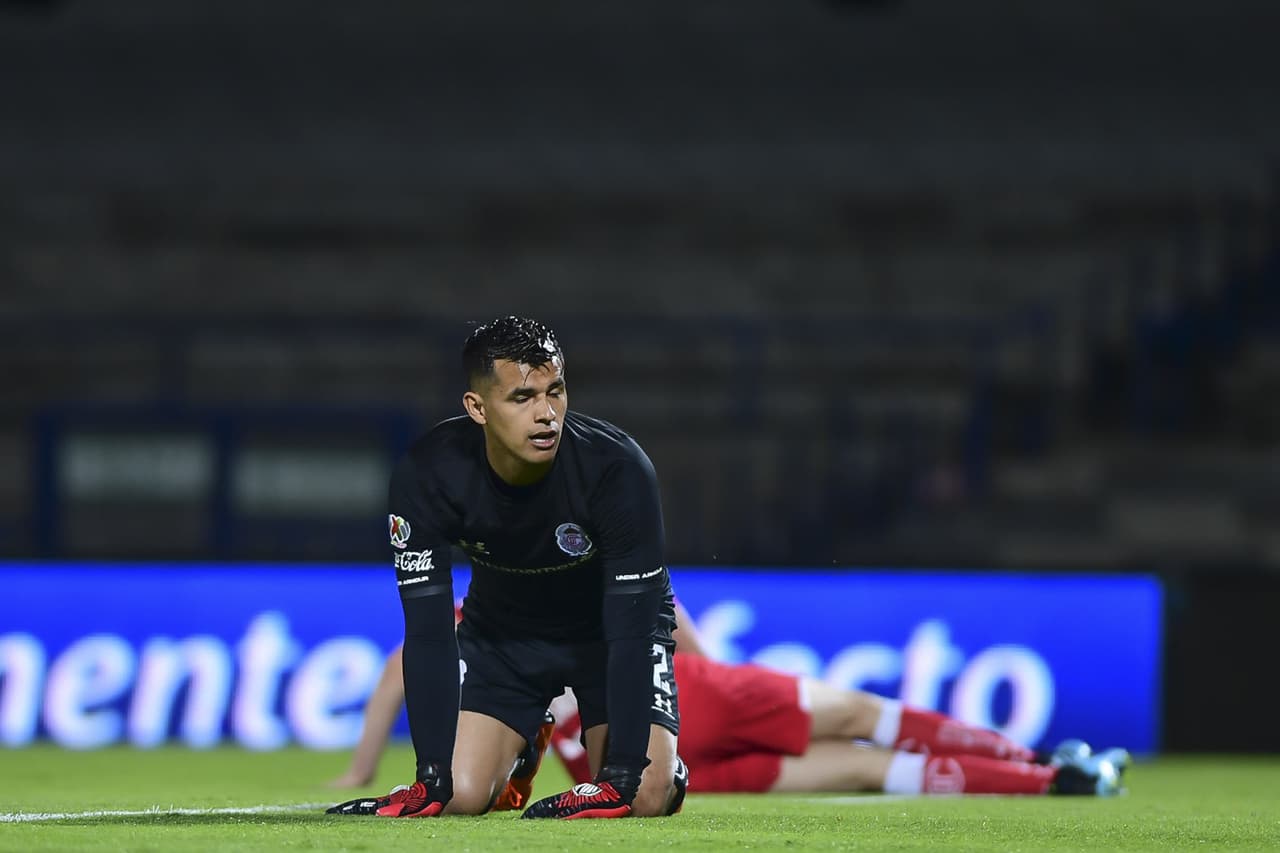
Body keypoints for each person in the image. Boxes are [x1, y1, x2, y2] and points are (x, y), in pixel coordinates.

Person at [327, 315, 686, 820]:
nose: (547, 415)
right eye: (522, 398)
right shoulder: (429, 475)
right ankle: (524, 746)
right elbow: (428, 631)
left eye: (555, 392)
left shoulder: (617, 469)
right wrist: (431, 777)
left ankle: (666, 770)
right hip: (505, 637)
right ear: (477, 407)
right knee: (457, 797)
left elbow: (633, 630)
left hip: (610, 637)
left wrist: (624, 777)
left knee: (644, 797)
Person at [331, 602, 1130, 799]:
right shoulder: (554, 565)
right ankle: (1038, 761)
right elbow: (657, 598)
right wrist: (710, 675)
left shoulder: (465, 633)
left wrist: (364, 767)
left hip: (634, 766)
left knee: (862, 768)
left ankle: (1056, 781)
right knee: (860, 717)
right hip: (685, 705)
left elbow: (395, 674)